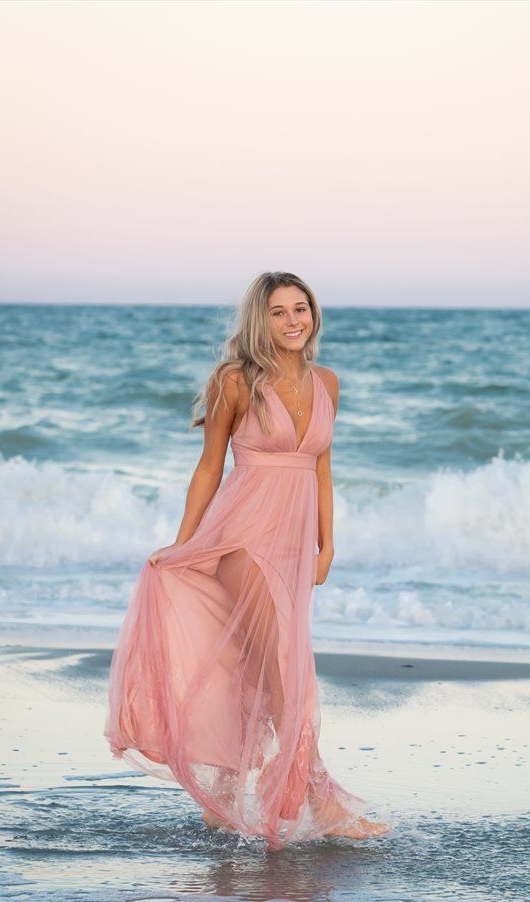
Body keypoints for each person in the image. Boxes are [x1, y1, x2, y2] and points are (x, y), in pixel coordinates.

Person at [104, 271, 391, 850]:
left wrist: (326, 544)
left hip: (292, 545)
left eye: (301, 309)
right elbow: (210, 467)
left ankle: (226, 791)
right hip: (240, 539)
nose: (293, 321)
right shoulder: (234, 381)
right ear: (260, 321)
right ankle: (318, 794)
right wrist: (185, 541)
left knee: (256, 670)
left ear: (314, 314)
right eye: (279, 312)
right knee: (283, 672)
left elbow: (321, 471)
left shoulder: (328, 383)